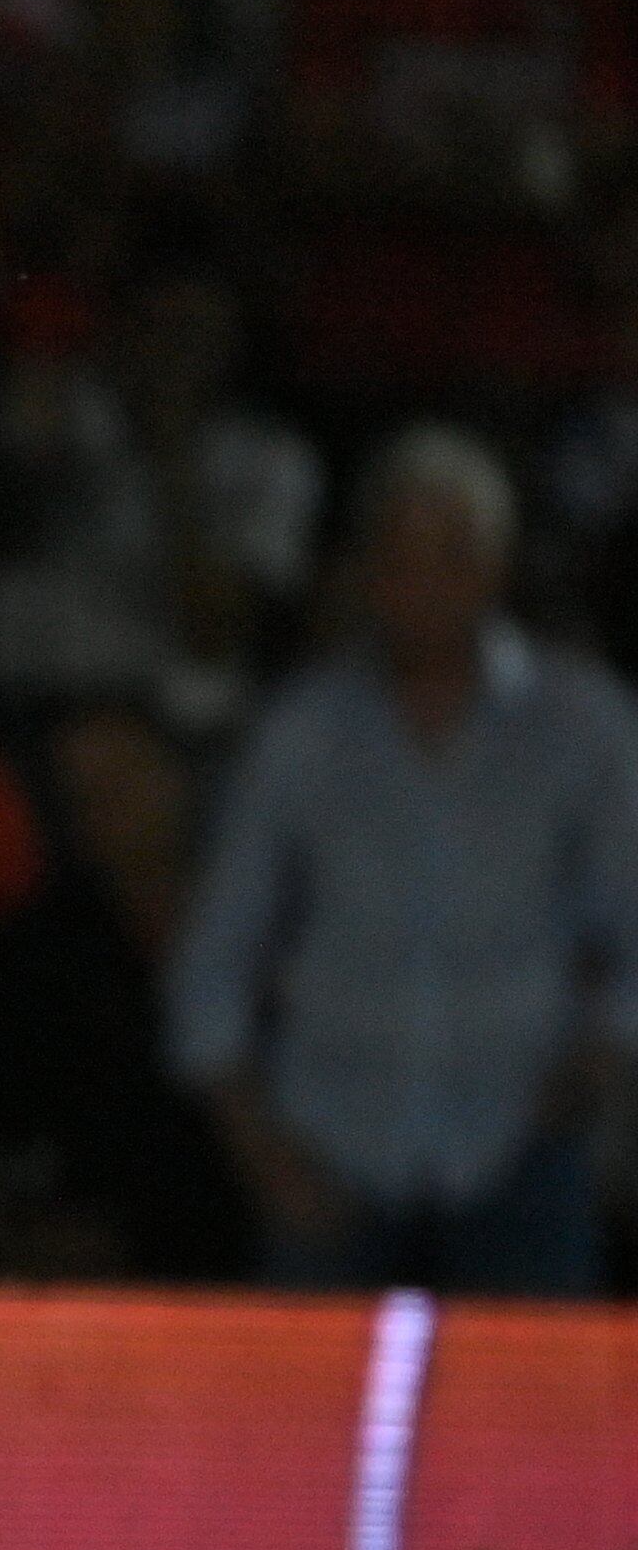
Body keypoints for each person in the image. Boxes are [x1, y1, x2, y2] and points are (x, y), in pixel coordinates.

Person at [167, 426, 638, 1293]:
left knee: (538, 1420)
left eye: (451, 557)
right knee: (304, 1419)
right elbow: (216, 958)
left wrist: (597, 1065)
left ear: (496, 568)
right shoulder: (300, 736)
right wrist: (259, 1148)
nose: (424, 587)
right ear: (367, 570)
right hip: (329, 1146)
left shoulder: (584, 727)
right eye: (401, 557)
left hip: (521, 1149)